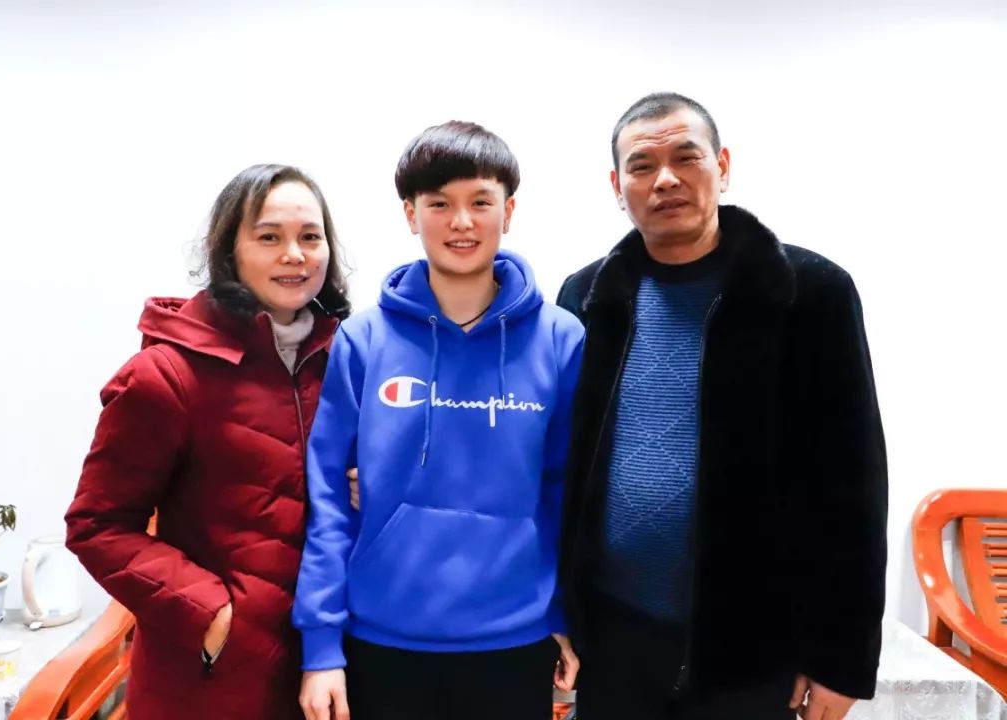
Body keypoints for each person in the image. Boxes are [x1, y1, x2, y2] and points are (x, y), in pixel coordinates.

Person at [556, 92, 888, 720]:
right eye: (642, 165)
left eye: (687, 157)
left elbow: (854, 489)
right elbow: (562, 467)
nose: (666, 179)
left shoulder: (808, 294)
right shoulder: (588, 296)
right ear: (618, 186)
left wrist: (841, 657)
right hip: (613, 640)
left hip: (754, 648)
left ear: (723, 166)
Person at [292, 121, 583, 720]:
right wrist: (320, 647)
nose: (461, 221)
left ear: (509, 211)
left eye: (481, 201)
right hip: (382, 639)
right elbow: (327, 498)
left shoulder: (560, 339)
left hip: (514, 639)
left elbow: (566, 492)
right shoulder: (364, 340)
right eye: (440, 204)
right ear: (411, 213)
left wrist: (562, 613)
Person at [65, 164, 351, 720]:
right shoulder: (166, 375)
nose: (294, 254)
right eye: (269, 237)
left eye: (310, 237)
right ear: (229, 250)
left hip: (328, 672)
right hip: (209, 683)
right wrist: (212, 615)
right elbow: (97, 525)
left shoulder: (346, 359)